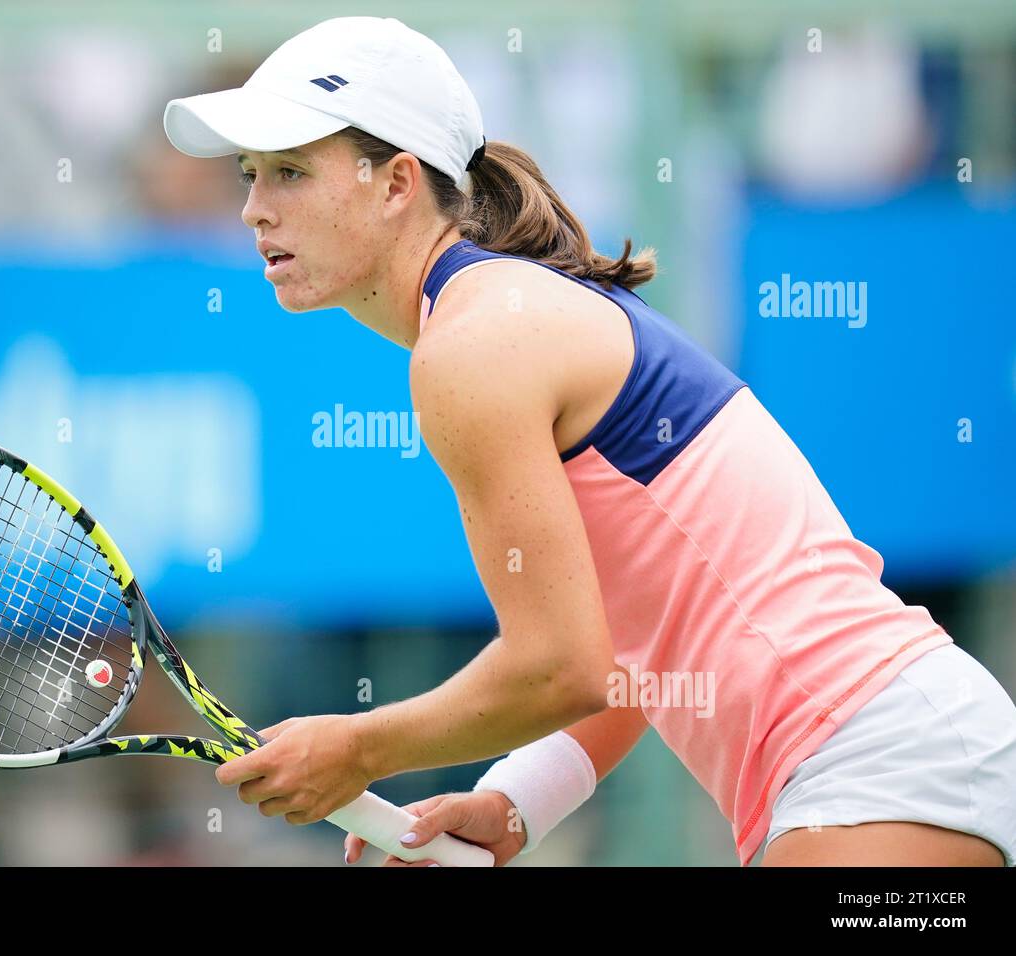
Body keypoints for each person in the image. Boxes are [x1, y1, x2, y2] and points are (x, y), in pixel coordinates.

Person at [161, 16, 1016, 867]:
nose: (252, 208)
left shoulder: (474, 345)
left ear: (396, 185)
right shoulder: (495, 320)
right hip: (898, 764)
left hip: (882, 765)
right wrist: (516, 800)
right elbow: (626, 654)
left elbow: (557, 669)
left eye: (290, 173)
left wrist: (358, 747)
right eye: (250, 174)